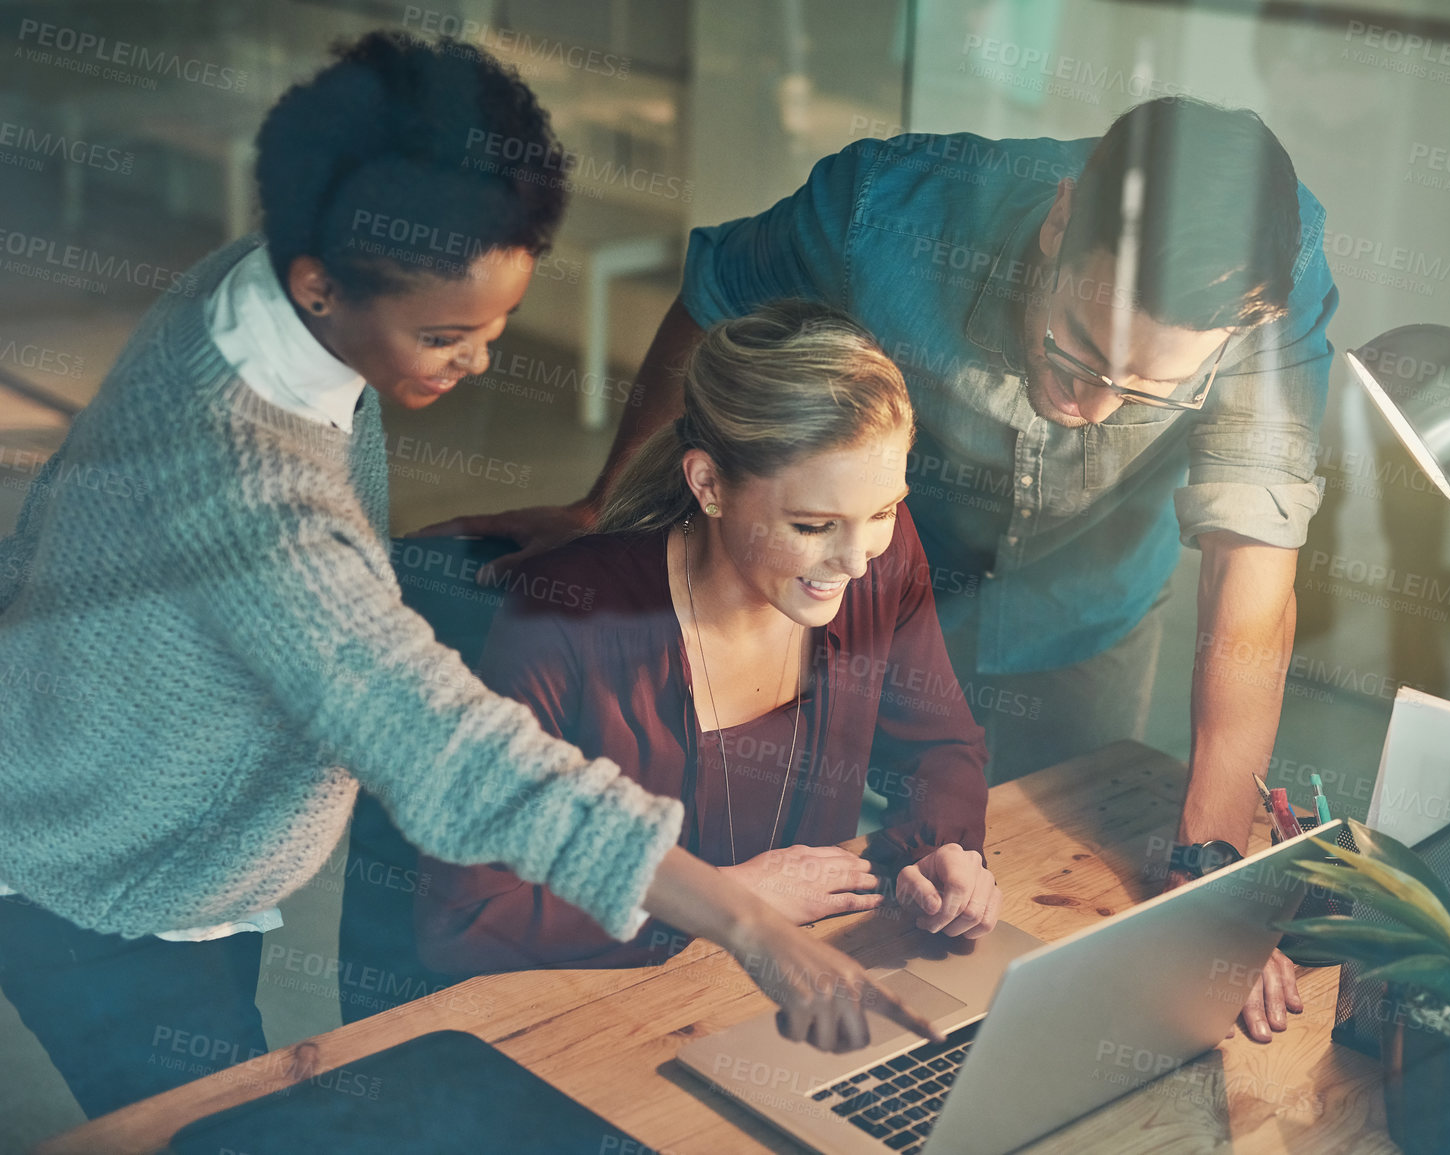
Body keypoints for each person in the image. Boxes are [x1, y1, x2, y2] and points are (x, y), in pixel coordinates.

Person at [0, 32, 927, 1120]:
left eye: (496, 324)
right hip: (106, 881)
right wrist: (743, 921)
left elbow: (79, 516)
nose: (481, 361)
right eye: (447, 334)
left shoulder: (268, 286)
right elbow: (461, 762)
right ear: (320, 284)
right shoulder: (251, 497)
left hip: (168, 831)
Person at [420, 96, 1340, 1043]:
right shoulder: (885, 215)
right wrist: (612, 507)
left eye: (1148, 389)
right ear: (1059, 223)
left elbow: (1251, 589)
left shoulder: (1260, 280)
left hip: (1079, 598)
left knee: (1047, 878)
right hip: (883, 564)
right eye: (1079, 347)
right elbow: (715, 301)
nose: (1095, 406)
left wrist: (1208, 878)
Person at [414, 302, 998, 977]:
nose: (857, 560)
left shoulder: (879, 560)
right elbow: (466, 921)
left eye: (882, 510)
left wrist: (944, 853)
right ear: (708, 484)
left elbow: (939, 747)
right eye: (812, 525)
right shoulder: (564, 619)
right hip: (602, 1016)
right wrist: (722, 900)